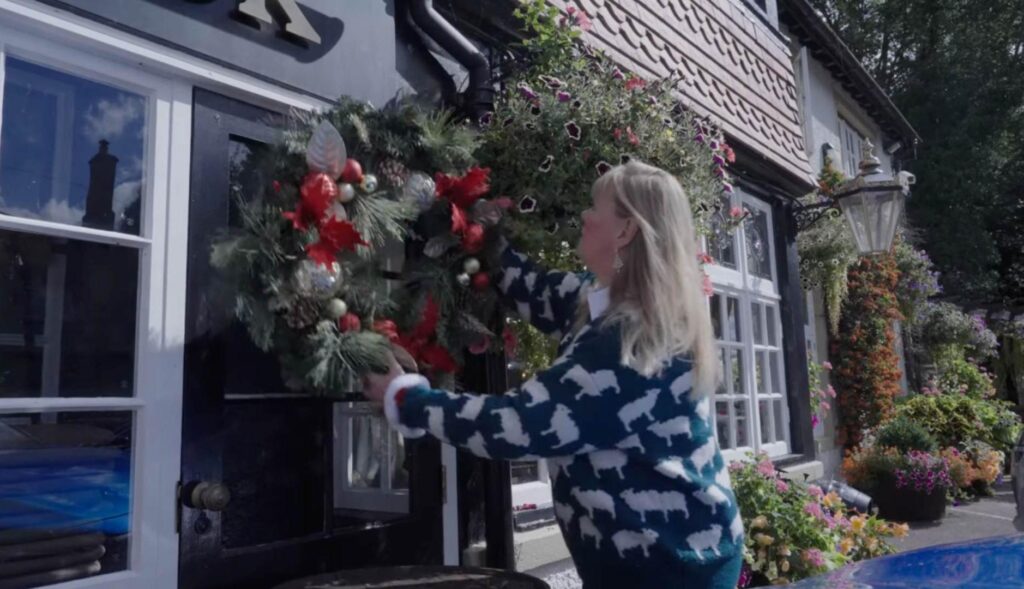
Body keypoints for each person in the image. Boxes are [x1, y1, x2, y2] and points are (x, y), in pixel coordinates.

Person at [362, 161, 743, 588]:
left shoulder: (632, 344)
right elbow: (536, 288)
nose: (584, 216)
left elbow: (517, 425)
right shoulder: (597, 298)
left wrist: (404, 399)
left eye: (595, 207)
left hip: (672, 569)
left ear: (625, 232)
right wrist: (473, 226)